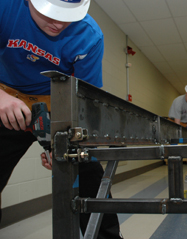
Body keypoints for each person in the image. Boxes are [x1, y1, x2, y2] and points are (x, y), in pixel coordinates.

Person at [0, 0, 123, 238]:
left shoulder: (89, 36)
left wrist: (62, 144)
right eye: (51, 13)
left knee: (88, 170)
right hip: (6, 97)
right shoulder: (6, 7)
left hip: (54, 105)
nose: (59, 23)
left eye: (68, 15)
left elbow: (84, 100)